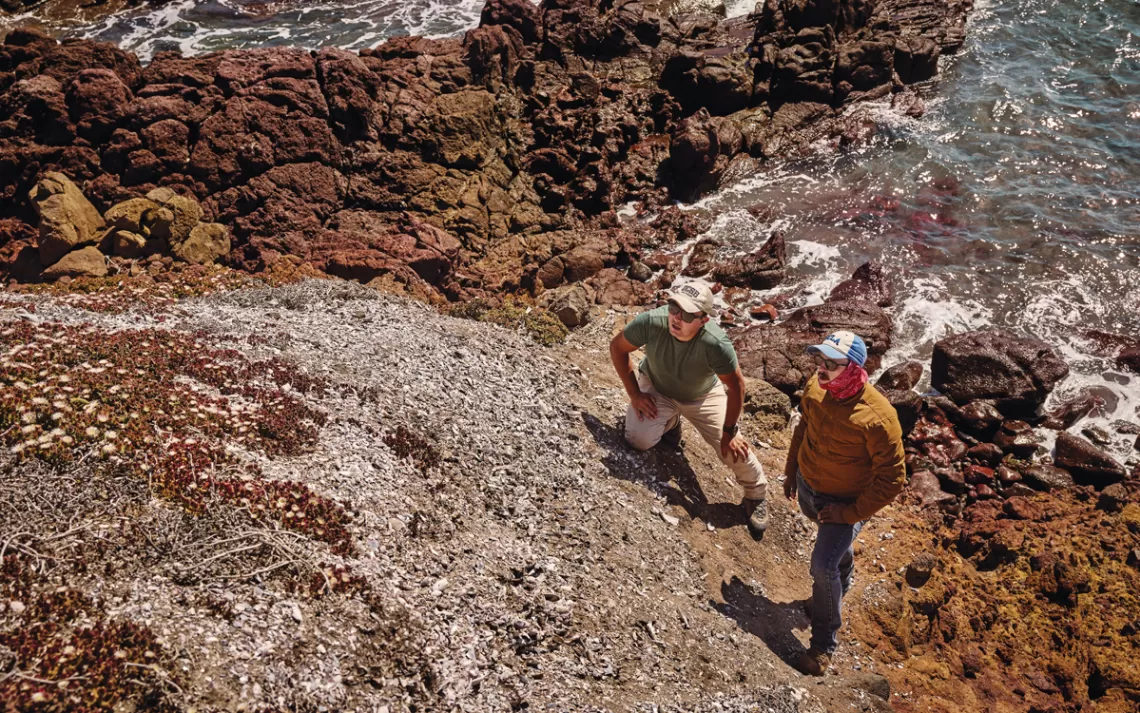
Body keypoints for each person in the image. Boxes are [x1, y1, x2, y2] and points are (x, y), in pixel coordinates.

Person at [783, 330, 905, 676]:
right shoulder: (815, 387)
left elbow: (892, 480)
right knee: (835, 559)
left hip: (844, 503)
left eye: (831, 364)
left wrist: (849, 515)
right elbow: (803, 427)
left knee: (822, 567)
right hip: (810, 488)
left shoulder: (879, 417)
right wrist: (791, 471)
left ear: (853, 368)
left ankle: (822, 647)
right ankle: (836, 588)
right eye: (819, 359)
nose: (821, 368)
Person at [609, 281, 769, 536]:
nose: (676, 318)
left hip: (702, 395)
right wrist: (635, 394)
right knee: (637, 439)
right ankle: (671, 424)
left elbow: (736, 386)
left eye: (685, 314)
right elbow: (618, 348)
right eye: (673, 307)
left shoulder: (716, 343)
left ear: (703, 319)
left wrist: (729, 430)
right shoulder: (651, 322)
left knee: (733, 449)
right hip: (658, 387)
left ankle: (756, 494)